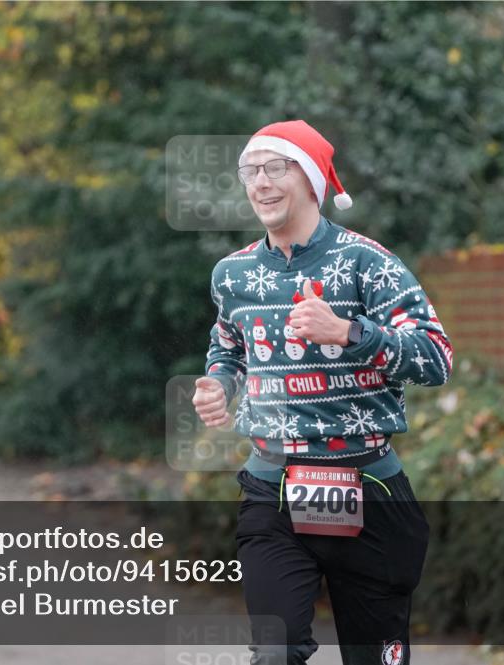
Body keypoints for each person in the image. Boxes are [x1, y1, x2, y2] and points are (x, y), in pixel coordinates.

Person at [193, 120, 455, 665]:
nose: (259, 182)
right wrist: (219, 384)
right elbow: (230, 349)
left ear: (311, 178)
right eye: (249, 170)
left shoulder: (367, 262)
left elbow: (436, 358)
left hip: (367, 486)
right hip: (273, 489)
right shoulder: (232, 274)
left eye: (274, 168)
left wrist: (349, 332)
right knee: (275, 653)